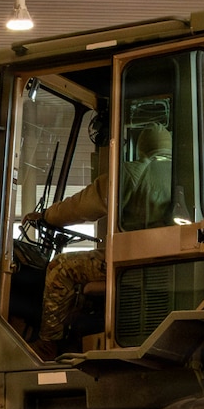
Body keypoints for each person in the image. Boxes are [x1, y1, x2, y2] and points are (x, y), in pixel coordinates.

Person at [24, 124, 173, 360]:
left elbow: (83, 205)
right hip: (167, 263)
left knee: (60, 268)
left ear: (143, 147)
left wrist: (47, 216)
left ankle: (48, 342)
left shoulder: (135, 172)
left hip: (135, 261)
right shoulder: (186, 175)